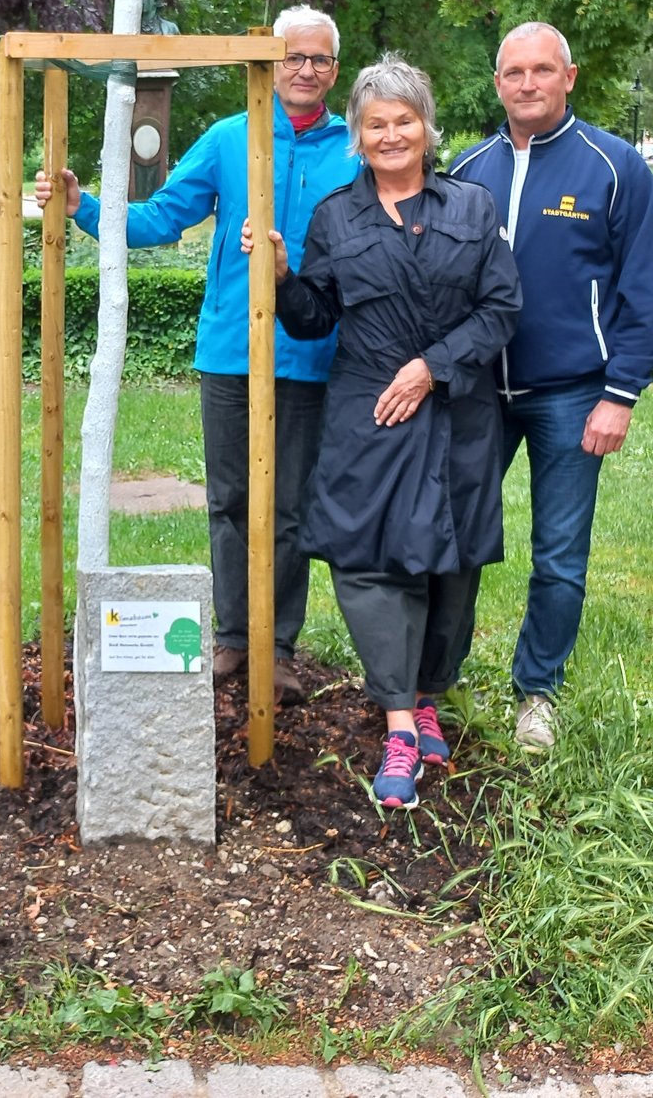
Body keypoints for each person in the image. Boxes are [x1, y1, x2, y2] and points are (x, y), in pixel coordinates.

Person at [34, 6, 360, 702]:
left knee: (293, 505)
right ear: (270, 62)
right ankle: (234, 640)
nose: (306, 70)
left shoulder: (353, 147)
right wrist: (82, 204)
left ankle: (280, 645)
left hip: (311, 352)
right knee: (232, 499)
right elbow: (157, 219)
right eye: (293, 57)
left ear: (336, 68)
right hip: (231, 352)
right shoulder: (228, 137)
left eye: (320, 59)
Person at [245, 57, 520, 806]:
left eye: (404, 120)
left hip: (455, 408)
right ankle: (400, 720)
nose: (391, 133)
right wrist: (279, 276)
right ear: (358, 138)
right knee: (368, 562)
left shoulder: (472, 205)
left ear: (426, 128)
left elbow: (500, 309)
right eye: (376, 123)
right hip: (370, 412)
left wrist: (432, 367)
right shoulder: (336, 216)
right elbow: (313, 317)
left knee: (453, 564)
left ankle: (430, 693)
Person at [450, 22, 653, 752]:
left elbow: (646, 292)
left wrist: (622, 393)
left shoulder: (613, 168)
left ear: (568, 77)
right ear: (497, 84)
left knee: (559, 553)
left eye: (541, 70)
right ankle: (435, 679)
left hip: (573, 393)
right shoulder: (466, 169)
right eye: (513, 72)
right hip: (479, 390)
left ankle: (536, 692)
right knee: (451, 534)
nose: (527, 84)